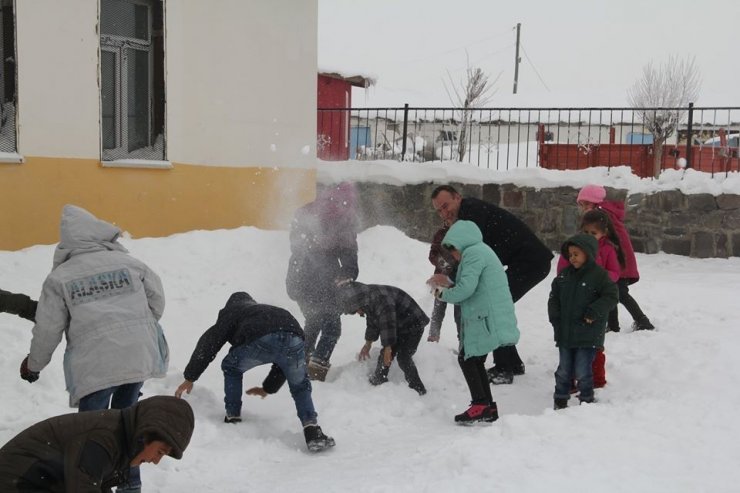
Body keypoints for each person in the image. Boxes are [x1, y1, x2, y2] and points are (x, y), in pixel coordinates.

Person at [20, 204, 168, 492]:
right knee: (129, 426)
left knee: (89, 433)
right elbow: (157, 300)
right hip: (137, 355)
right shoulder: (132, 265)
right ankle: (129, 486)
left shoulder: (61, 278)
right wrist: (138, 329)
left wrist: (34, 365)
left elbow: (48, 328)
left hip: (95, 365)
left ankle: (89, 484)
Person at [174, 292, 335, 452]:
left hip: (261, 338)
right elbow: (283, 359)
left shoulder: (233, 311)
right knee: (300, 385)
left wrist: (190, 377)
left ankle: (233, 416)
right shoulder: (263, 309)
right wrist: (268, 388)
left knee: (231, 367)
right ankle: (312, 431)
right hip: (295, 338)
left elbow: (209, 343)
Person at [431, 185, 553, 384]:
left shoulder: (471, 214)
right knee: (496, 306)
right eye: (439, 210)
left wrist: (451, 279)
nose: (445, 213)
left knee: (493, 306)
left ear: (458, 198)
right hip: (526, 261)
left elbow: (469, 253)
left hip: (530, 261)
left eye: (446, 206)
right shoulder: (468, 213)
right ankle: (512, 362)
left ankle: (505, 368)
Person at [0, 395, 194, 493]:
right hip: (16, 483)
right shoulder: (104, 438)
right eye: (160, 451)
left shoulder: (121, 438)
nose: (156, 461)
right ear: (146, 435)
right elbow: (83, 487)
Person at [428, 220, 519, 424]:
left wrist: (439, 291)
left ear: (459, 244)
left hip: (484, 316)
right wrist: (449, 283)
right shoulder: (481, 251)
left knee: (468, 359)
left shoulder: (473, 254)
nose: (454, 257)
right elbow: (469, 285)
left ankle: (481, 405)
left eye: (453, 252)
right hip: (486, 314)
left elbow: (465, 290)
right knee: (473, 359)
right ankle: (486, 406)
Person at [286, 182, 360, 381]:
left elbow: (348, 254)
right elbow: (348, 252)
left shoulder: (311, 212)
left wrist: (347, 271)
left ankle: (299, 362)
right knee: (331, 327)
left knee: (314, 322)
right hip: (313, 281)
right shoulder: (339, 218)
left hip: (305, 280)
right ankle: (314, 368)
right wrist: (347, 271)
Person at [549, 234, 618, 410]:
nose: (572, 258)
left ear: (588, 253)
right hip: (565, 332)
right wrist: (555, 317)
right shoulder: (564, 276)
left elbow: (611, 296)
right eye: (570, 254)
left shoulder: (599, 276)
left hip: (588, 333)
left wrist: (594, 311)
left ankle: (586, 398)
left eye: (576, 254)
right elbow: (554, 298)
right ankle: (560, 398)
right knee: (564, 369)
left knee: (582, 369)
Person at [556, 209, 622, 389]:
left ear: (604, 233)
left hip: (595, 303)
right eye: (586, 232)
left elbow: (615, 273)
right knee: (570, 344)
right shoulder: (574, 247)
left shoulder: (607, 249)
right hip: (574, 303)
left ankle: (597, 379)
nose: (589, 236)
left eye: (594, 233)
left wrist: (596, 277)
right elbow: (562, 270)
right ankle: (569, 380)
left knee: (594, 345)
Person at [577, 185, 655, 331]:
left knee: (620, 293)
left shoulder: (601, 216)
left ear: (595, 202)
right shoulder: (601, 215)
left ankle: (642, 321)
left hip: (618, 262)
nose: (584, 208)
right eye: (582, 205)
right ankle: (613, 325)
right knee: (610, 292)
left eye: (587, 204)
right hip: (615, 261)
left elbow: (607, 241)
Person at [338, 281, 429, 395]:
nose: (357, 313)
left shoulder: (381, 300)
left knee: (403, 357)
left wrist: (388, 348)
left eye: (356, 310)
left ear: (358, 303)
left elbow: (388, 324)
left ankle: (419, 389)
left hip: (413, 323)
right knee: (385, 354)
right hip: (398, 324)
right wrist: (368, 344)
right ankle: (378, 379)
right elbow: (373, 322)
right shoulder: (367, 298)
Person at [426, 221, 459, 342]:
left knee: (460, 313)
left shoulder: (462, 234)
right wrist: (444, 266)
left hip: (459, 280)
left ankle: (463, 340)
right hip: (440, 279)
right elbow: (432, 255)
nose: (447, 221)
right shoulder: (440, 234)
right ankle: (433, 337)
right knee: (438, 310)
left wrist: (455, 270)